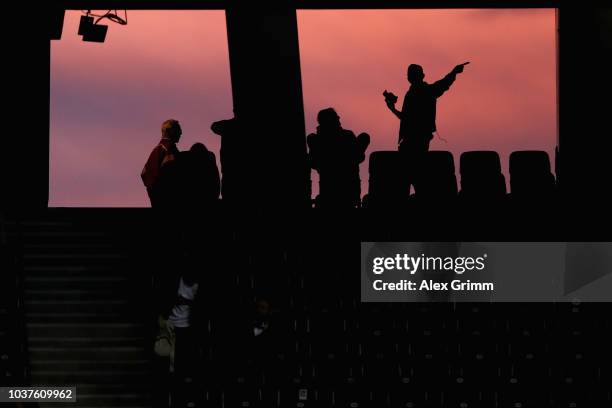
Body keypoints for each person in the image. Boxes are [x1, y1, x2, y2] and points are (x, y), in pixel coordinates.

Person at [384, 62, 468, 193]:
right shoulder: (413, 93)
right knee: (411, 178)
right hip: (410, 141)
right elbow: (406, 118)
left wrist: (454, 73)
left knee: (415, 177)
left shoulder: (425, 91)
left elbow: (443, 84)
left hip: (417, 141)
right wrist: (392, 109)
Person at [307, 108, 370, 208]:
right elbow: (359, 157)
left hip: (329, 193)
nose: (339, 119)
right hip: (347, 194)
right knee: (364, 136)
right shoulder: (347, 136)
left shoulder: (317, 141)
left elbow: (313, 163)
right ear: (331, 120)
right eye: (336, 117)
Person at [141, 119, 182, 207]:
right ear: (169, 131)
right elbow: (173, 174)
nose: (181, 133)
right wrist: (159, 192)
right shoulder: (166, 149)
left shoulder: (161, 149)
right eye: (178, 129)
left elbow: (145, 173)